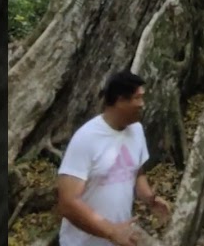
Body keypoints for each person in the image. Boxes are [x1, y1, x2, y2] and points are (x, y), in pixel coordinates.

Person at [56, 70, 172, 246]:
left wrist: (149, 198)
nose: (143, 104)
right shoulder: (86, 138)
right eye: (137, 98)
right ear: (120, 100)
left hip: (118, 240)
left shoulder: (136, 130)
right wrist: (111, 231)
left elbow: (136, 169)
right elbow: (67, 202)